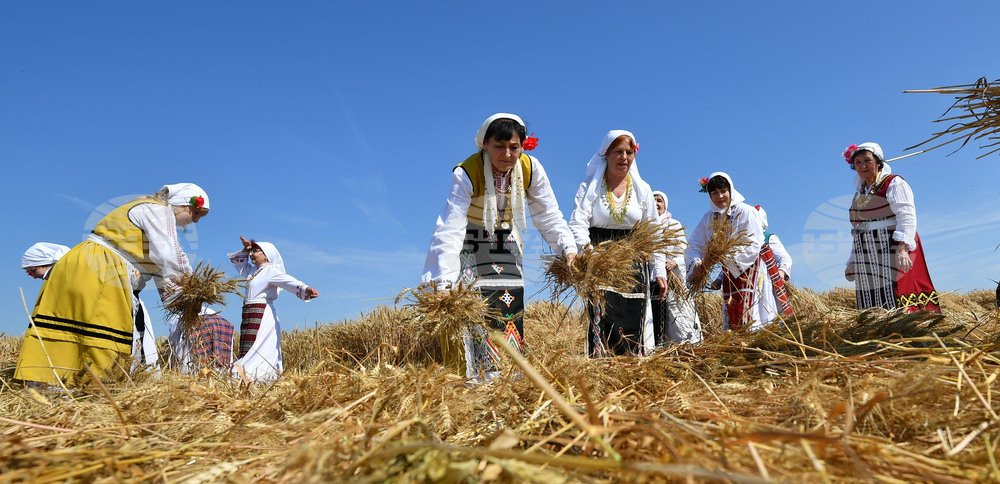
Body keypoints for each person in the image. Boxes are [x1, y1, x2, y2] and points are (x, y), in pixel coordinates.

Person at [422, 113, 576, 382]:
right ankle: (478, 379)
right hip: (469, 242)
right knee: (475, 304)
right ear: (485, 145)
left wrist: (568, 249)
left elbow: (548, 213)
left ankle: (510, 377)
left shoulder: (530, 168)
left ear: (522, 146)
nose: (507, 154)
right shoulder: (466, 172)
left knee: (510, 301)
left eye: (514, 147)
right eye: (499, 146)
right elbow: (450, 227)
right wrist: (443, 282)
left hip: (505, 240)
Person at [14, 183, 209, 385]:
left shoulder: (146, 208)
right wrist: (189, 292)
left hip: (81, 265)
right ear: (181, 204)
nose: (194, 220)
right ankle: (94, 387)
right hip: (101, 269)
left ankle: (55, 384)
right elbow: (168, 254)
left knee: (71, 325)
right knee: (102, 328)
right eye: (195, 213)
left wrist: (182, 293)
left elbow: (164, 260)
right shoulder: (159, 210)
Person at [569, 130, 667, 357]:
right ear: (606, 154)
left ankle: (631, 373)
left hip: (633, 263)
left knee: (632, 315)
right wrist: (589, 254)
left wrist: (658, 269)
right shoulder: (589, 188)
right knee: (605, 316)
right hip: (600, 259)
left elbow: (652, 231)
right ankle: (603, 372)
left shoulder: (642, 190)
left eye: (629, 152)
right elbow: (577, 222)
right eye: (618, 152)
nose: (624, 157)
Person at [842, 143, 939, 312]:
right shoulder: (859, 194)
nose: (862, 165)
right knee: (871, 302)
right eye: (857, 162)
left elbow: (906, 215)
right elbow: (858, 230)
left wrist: (903, 248)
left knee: (897, 297)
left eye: (867, 160)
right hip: (867, 251)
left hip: (891, 246)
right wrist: (852, 261)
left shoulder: (893, 183)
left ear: (878, 162)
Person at [686, 173, 778, 331]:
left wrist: (720, 257)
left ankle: (754, 347)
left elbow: (753, 243)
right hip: (729, 272)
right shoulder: (709, 218)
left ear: (731, 190)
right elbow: (695, 243)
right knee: (732, 308)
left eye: (723, 191)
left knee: (750, 310)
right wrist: (698, 264)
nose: (720, 196)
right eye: (714, 193)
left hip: (749, 269)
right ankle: (737, 348)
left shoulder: (745, 211)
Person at [230, 237, 318, 382]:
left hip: (263, 314)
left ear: (266, 254)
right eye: (251, 252)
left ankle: (257, 375)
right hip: (250, 312)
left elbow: (288, 280)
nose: (251, 254)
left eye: (255, 251)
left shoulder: (271, 270)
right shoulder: (253, 271)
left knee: (260, 346)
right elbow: (240, 264)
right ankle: (247, 375)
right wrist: (246, 249)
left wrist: (305, 288)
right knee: (248, 346)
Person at [650, 191, 702, 345]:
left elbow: (684, 252)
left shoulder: (674, 224)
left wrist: (674, 262)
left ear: (665, 205)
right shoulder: (643, 226)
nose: (656, 203)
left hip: (672, 279)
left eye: (659, 200)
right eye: (652, 200)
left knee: (678, 318)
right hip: (651, 278)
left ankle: (686, 347)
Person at [752, 205, 793, 317]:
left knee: (767, 313)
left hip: (766, 284)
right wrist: (719, 279)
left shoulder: (768, 238)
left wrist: (781, 271)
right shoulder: (741, 240)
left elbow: (785, 258)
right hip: (747, 285)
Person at [167, 306, 235, 374]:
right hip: (221, 366)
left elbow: (174, 344)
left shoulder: (178, 318)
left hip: (196, 366)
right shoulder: (215, 314)